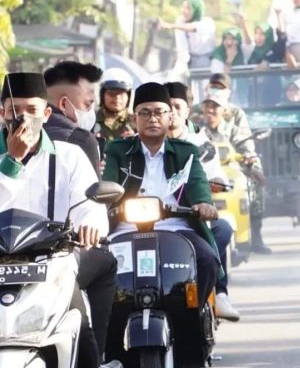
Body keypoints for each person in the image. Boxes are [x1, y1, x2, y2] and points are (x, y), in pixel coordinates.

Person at [0, 73, 117, 368]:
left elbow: (89, 204)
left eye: (32, 110)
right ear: (2, 113)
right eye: (15, 110)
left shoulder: (69, 156)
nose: (23, 118)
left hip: (53, 259)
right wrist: (11, 161)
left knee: (78, 319)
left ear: (47, 114)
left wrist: (90, 225)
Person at [102, 82, 220, 311]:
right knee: (98, 266)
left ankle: (193, 316)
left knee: (207, 260)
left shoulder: (186, 152)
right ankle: (108, 330)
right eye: (144, 112)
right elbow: (109, 185)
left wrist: (203, 203)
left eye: (158, 112)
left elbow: (197, 183)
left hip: (177, 229)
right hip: (126, 229)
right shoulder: (118, 150)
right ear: (134, 118)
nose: (152, 118)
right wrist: (102, 203)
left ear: (170, 116)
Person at [165, 81, 240, 321]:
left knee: (222, 229)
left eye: (177, 106)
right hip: (150, 218)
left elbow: (213, 174)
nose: (172, 112)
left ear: (187, 109)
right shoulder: (141, 139)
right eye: (166, 107)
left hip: (191, 216)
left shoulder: (200, 142)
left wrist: (211, 187)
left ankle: (218, 293)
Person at [199, 92, 271, 254]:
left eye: (215, 107)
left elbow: (248, 149)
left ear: (224, 110)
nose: (210, 110)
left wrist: (250, 161)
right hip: (205, 171)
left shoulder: (234, 131)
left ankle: (255, 234)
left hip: (232, 170)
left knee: (254, 184)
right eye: (207, 107)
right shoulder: (197, 132)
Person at [43, 61, 103, 176]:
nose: (91, 111)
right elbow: (92, 192)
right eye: (87, 104)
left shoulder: (14, 136)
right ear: (64, 104)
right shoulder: (82, 141)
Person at [159, 0, 216, 70]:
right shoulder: (180, 22)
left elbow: (194, 28)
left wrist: (171, 25)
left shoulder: (208, 22)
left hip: (208, 61)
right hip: (190, 61)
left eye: (188, 8)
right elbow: (182, 47)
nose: (183, 11)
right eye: (183, 7)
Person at [94, 68, 135, 143]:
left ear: (128, 96)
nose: (117, 98)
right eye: (112, 93)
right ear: (102, 95)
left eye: (122, 94)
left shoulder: (136, 121)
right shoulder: (91, 121)